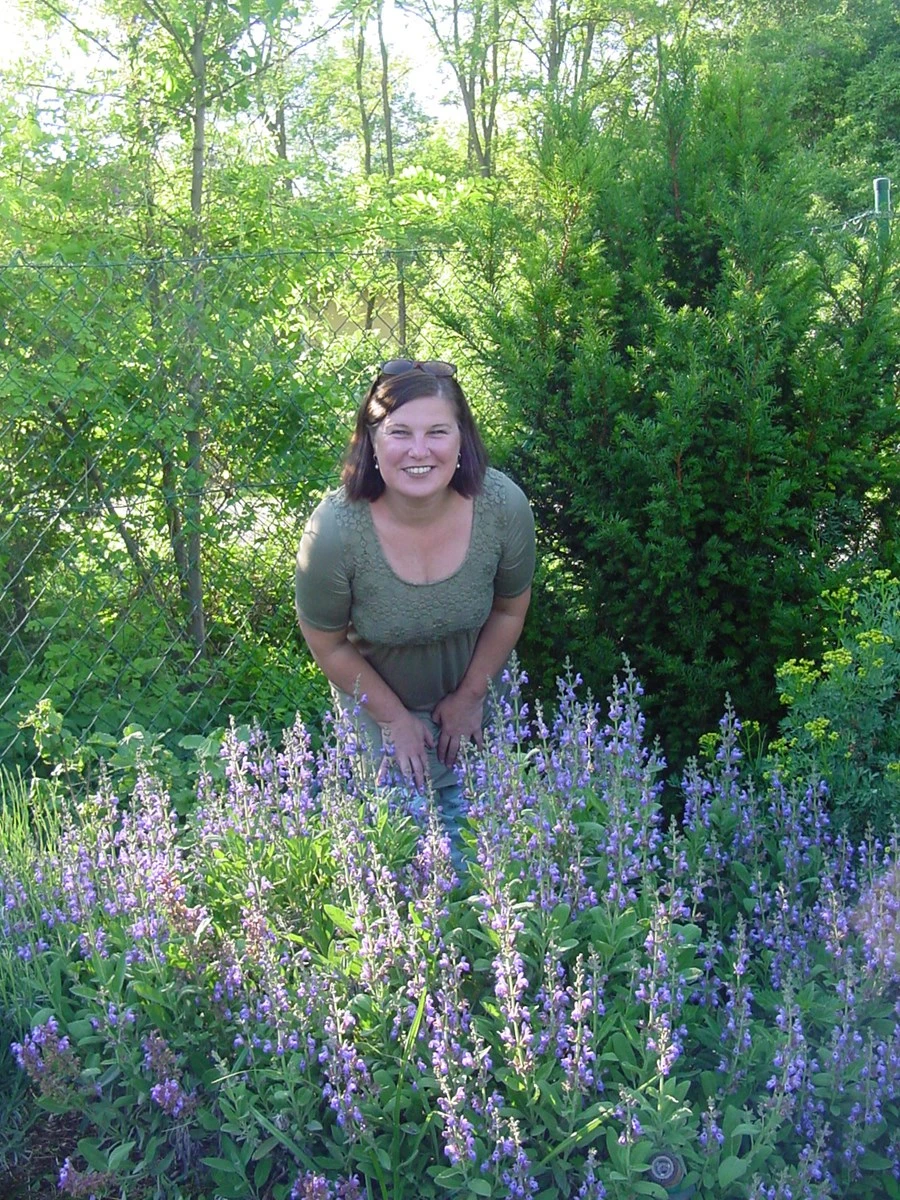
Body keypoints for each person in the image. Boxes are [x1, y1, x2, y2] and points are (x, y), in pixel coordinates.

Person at [294, 358, 535, 848]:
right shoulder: (333, 531)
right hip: (378, 709)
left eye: (437, 432)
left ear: (462, 439)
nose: (419, 451)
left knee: (493, 856)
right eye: (400, 433)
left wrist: (471, 697)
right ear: (371, 441)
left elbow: (510, 609)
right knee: (400, 861)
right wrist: (393, 720)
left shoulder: (503, 506)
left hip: (477, 700)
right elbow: (327, 642)